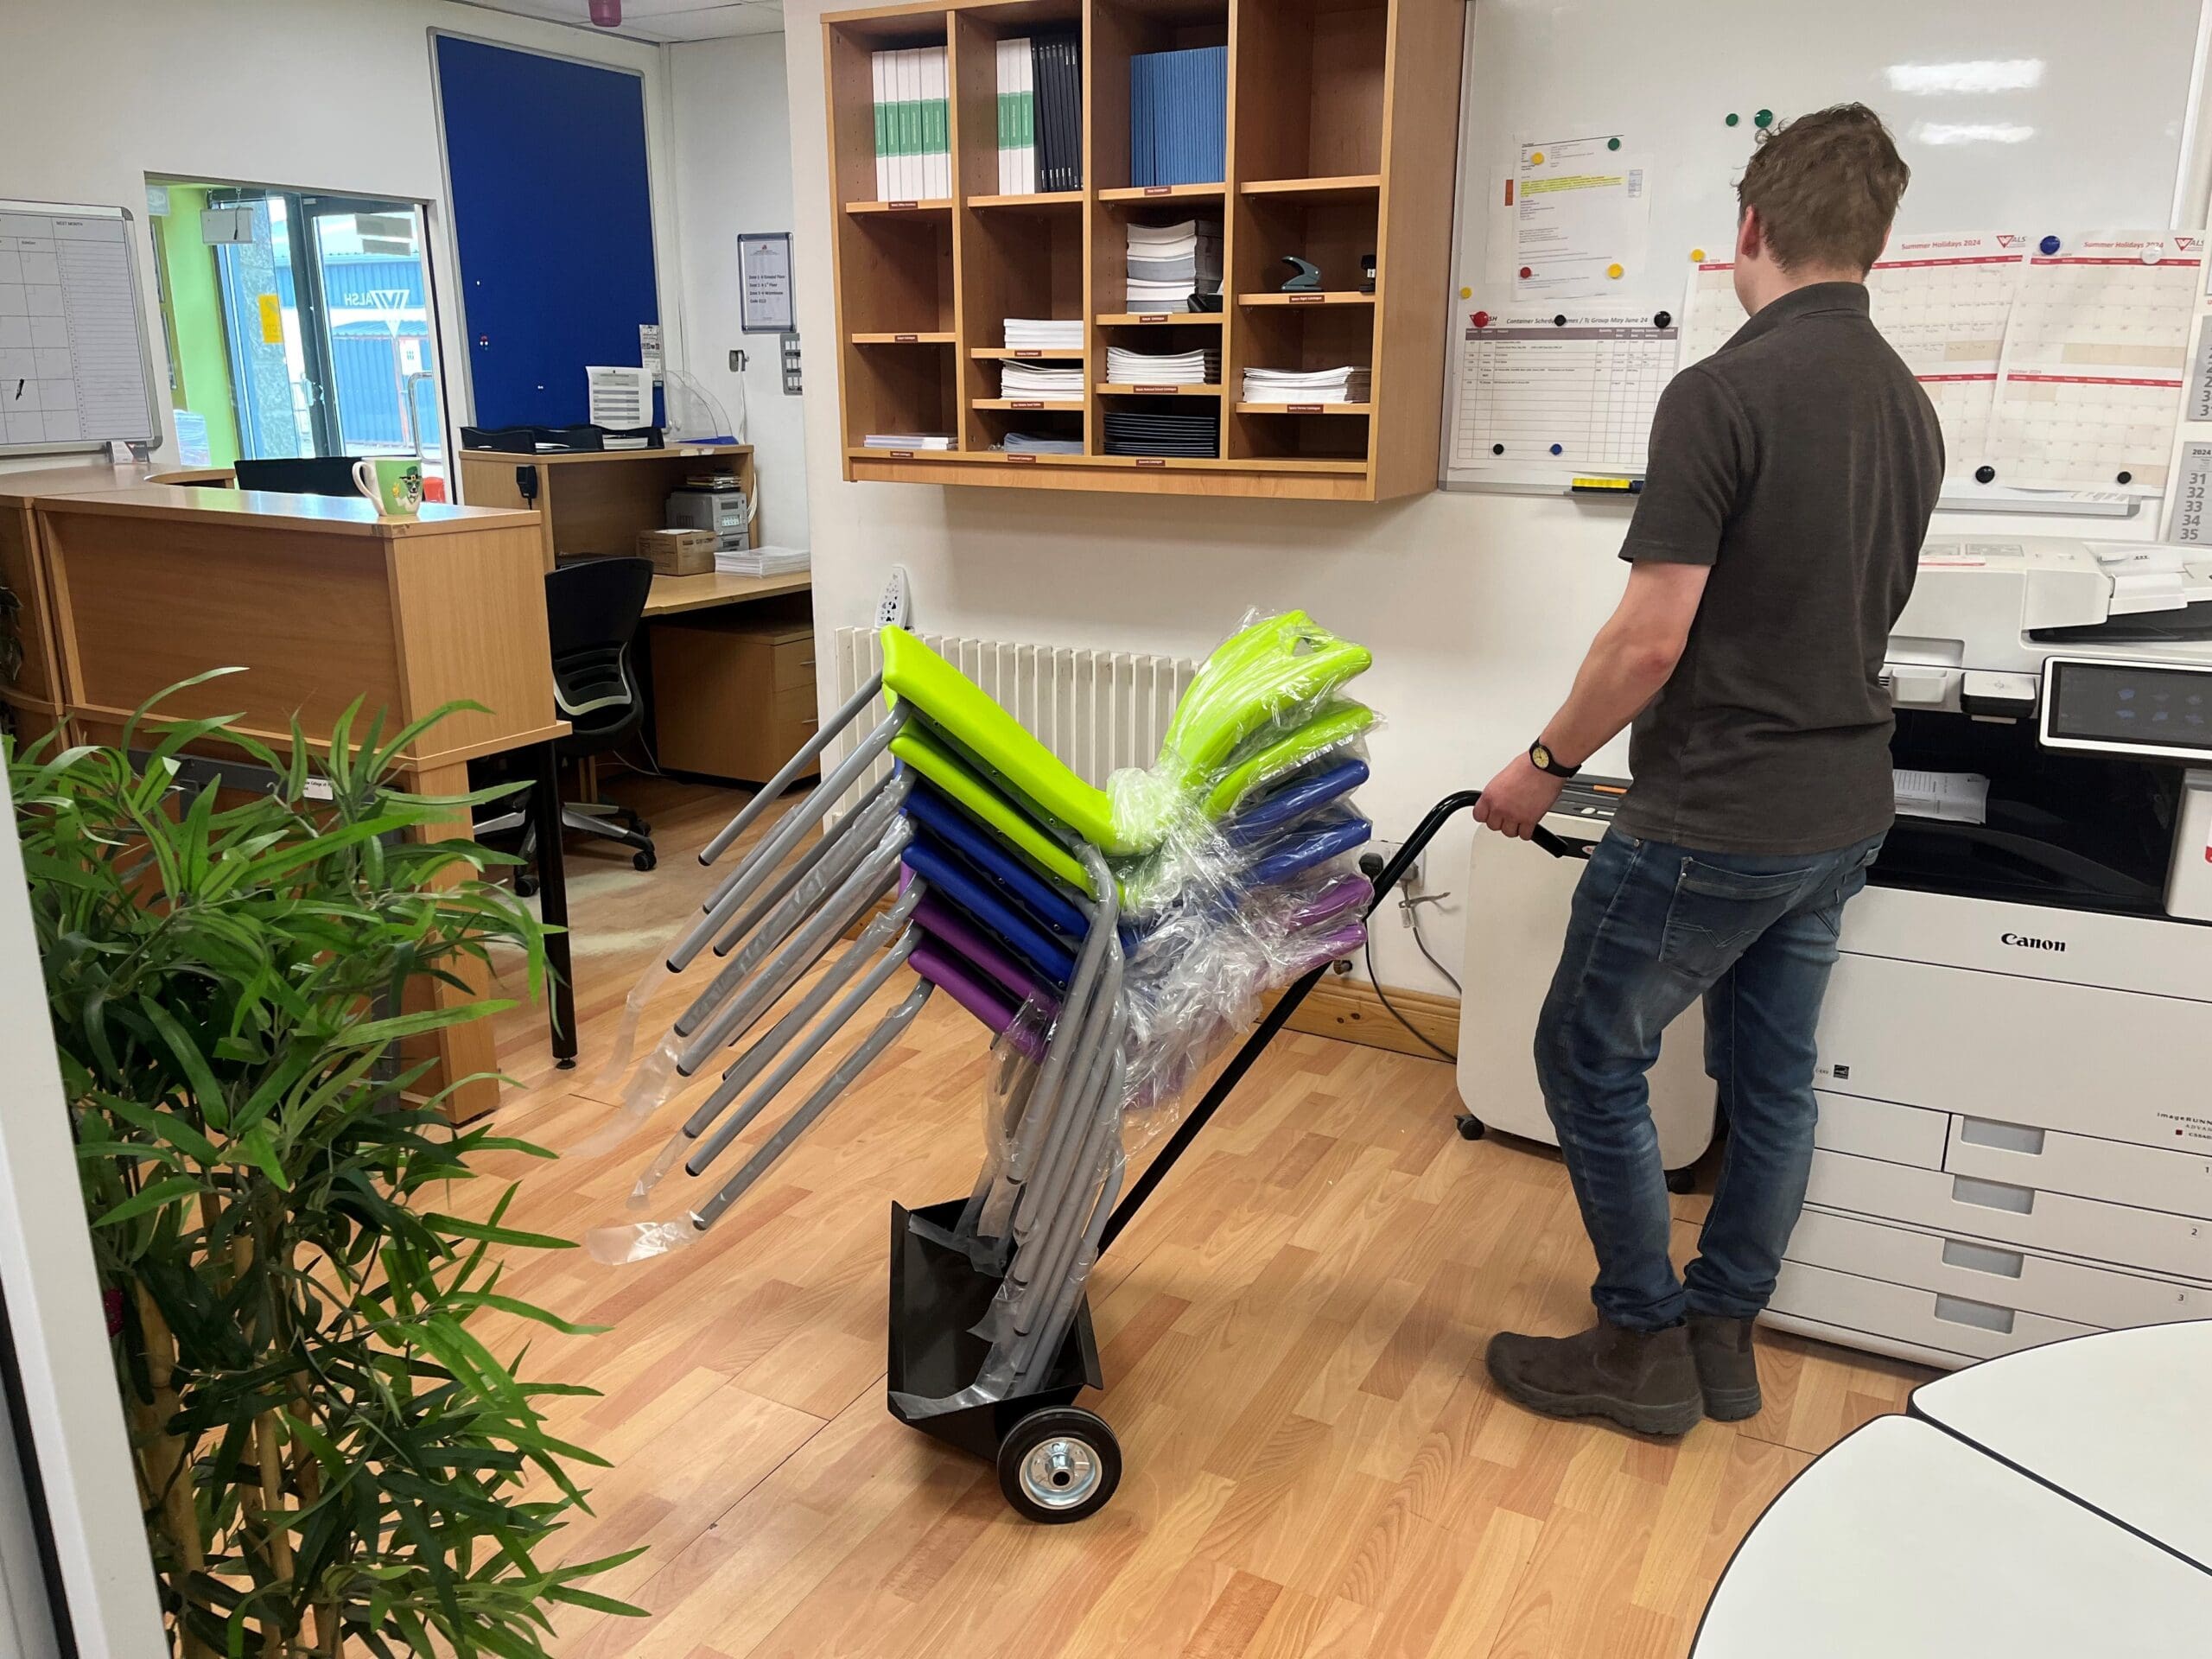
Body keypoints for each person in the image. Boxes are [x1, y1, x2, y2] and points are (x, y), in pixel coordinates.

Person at [1475, 105, 1943, 1435]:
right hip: (1842, 813)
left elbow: (1649, 638)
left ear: (1750, 226)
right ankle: (1722, 1337)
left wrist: (1545, 764)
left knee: (1585, 1053)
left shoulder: (1722, 392)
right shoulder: (1909, 408)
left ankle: (1641, 1347)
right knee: (1773, 1079)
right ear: (1877, 242)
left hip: (1717, 817)